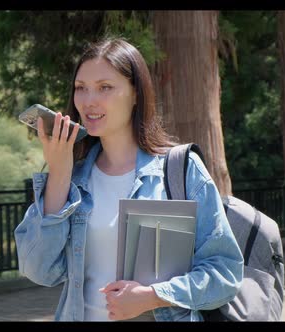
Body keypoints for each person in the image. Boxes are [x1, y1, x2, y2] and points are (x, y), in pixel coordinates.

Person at [14, 38, 243, 322]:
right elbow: (38, 270)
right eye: (81, 88)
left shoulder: (179, 171)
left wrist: (153, 295)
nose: (89, 101)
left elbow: (225, 272)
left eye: (105, 87)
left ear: (136, 93)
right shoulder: (74, 179)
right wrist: (59, 175)